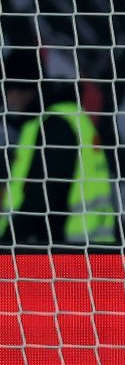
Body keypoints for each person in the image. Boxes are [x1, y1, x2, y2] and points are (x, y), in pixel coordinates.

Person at [0, 50, 116, 245]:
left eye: (6, 91)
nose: (6, 101)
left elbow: (46, 194)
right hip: (86, 244)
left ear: (19, 90)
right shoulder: (69, 117)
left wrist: (9, 242)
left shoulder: (55, 125)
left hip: (67, 248)